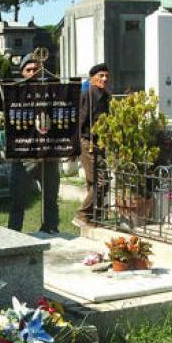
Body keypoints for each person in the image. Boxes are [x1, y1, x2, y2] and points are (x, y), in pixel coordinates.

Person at [7, 54, 60, 233]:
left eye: (36, 69)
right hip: (23, 157)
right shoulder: (14, 93)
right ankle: (14, 233)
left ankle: (50, 228)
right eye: (28, 70)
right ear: (22, 72)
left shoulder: (53, 91)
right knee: (18, 200)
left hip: (48, 155)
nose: (33, 73)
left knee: (50, 197)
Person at [73, 63, 111, 228]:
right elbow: (79, 121)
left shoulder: (106, 97)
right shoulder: (87, 95)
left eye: (106, 76)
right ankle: (82, 215)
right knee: (101, 182)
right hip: (86, 142)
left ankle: (96, 218)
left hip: (99, 143)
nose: (104, 79)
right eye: (101, 75)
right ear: (92, 78)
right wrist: (75, 145)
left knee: (93, 183)